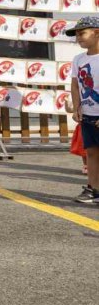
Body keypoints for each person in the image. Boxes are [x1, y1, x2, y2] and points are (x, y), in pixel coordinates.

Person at [67, 16, 99, 203]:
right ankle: (93, 189)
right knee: (92, 153)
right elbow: (74, 85)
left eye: (82, 33)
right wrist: (77, 106)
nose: (78, 37)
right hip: (88, 114)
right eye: (76, 34)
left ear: (97, 33)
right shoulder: (78, 59)